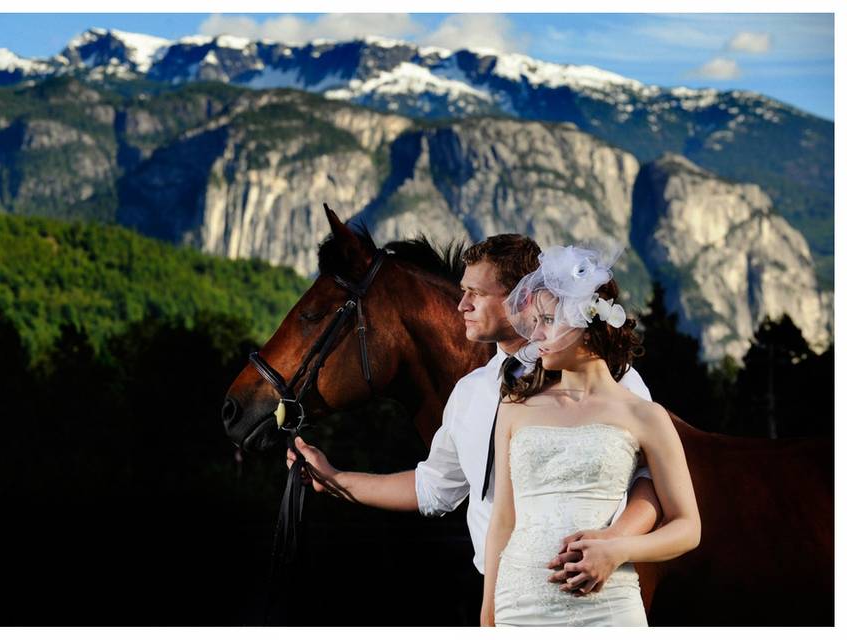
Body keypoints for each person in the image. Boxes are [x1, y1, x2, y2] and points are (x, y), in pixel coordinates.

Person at [287, 234, 662, 624]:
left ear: (523, 297)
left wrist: (613, 544)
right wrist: (334, 477)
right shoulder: (469, 393)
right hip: (505, 599)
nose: (461, 305)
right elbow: (432, 488)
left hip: (595, 591)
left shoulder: (612, 378)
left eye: (475, 294)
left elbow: (650, 478)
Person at [482, 244, 701, 626]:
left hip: (607, 606)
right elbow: (502, 520)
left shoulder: (645, 415)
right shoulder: (514, 408)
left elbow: (688, 527)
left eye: (548, 320)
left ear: (585, 322)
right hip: (519, 605)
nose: (536, 335)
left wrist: (617, 550)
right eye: (535, 322)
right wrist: (488, 614)